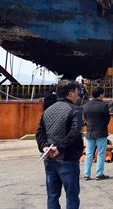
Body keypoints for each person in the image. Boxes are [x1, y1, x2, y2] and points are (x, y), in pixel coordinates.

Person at [36, 80, 83, 209]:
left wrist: (44, 146)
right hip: (68, 158)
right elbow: (74, 132)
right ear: (70, 93)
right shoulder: (75, 110)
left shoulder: (48, 110)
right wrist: (60, 148)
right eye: (76, 92)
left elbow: (39, 132)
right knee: (72, 196)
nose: (78, 95)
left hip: (49, 158)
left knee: (52, 195)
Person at [83, 87, 111, 180]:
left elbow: (86, 118)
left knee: (89, 153)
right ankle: (99, 174)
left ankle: (86, 174)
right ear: (100, 95)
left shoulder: (86, 105)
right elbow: (107, 119)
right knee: (101, 153)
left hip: (90, 132)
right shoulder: (104, 106)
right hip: (101, 132)